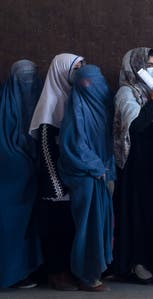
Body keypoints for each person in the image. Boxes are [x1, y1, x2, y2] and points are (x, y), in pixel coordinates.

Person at [113, 48, 153, 284]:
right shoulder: (126, 92)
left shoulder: (151, 90)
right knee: (138, 213)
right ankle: (137, 262)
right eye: (148, 65)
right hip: (136, 164)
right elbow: (136, 127)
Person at [29, 53, 85, 291]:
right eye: (76, 68)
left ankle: (67, 271)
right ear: (61, 71)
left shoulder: (69, 97)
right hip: (54, 179)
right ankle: (56, 273)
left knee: (67, 225)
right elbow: (44, 145)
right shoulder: (49, 104)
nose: (80, 72)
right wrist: (55, 182)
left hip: (68, 174)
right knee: (56, 226)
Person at [58, 64, 115, 292]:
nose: (90, 86)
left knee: (102, 224)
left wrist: (107, 169)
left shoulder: (106, 104)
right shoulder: (76, 109)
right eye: (85, 82)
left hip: (105, 172)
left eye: (94, 81)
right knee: (87, 226)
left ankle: (98, 269)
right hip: (86, 176)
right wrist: (96, 167)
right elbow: (73, 144)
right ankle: (87, 276)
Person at [0, 60, 43, 289]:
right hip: (11, 176)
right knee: (12, 225)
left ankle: (29, 270)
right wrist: (21, 160)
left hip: (34, 172)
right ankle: (11, 273)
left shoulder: (40, 98)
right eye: (23, 78)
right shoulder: (4, 104)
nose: (29, 82)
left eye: (32, 76)